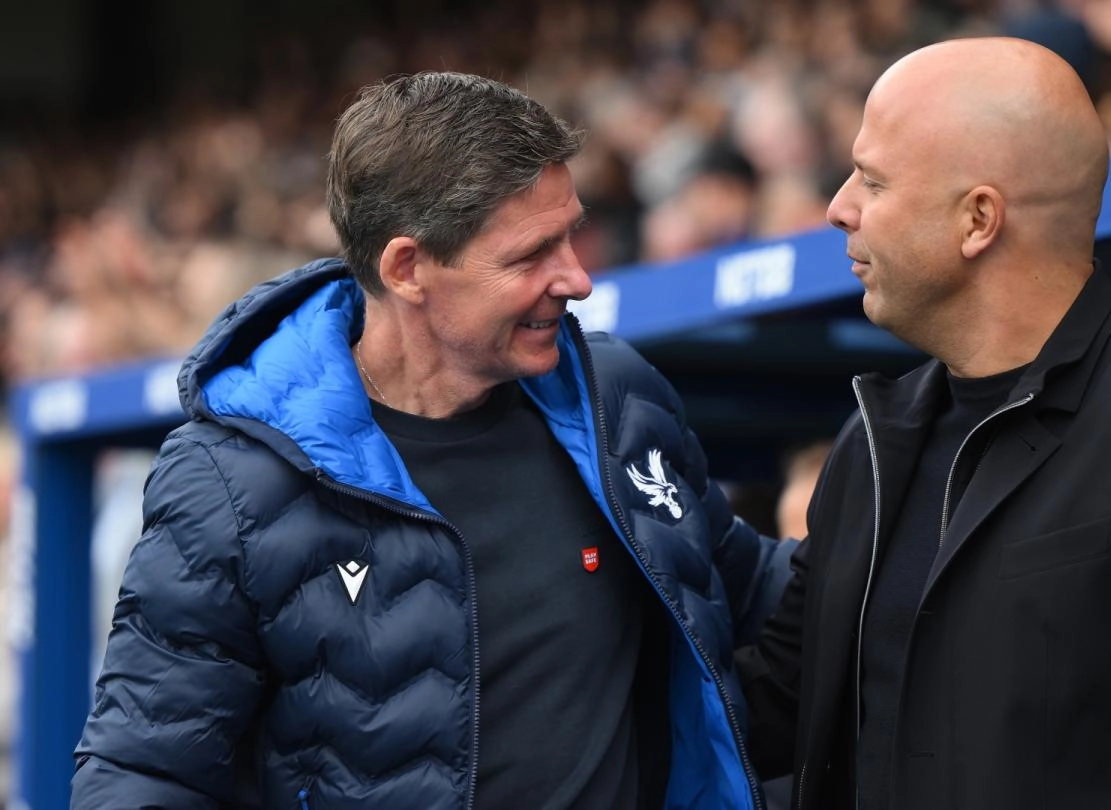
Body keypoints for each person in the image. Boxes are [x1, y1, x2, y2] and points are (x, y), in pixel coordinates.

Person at [71, 72, 793, 810]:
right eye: (530, 255)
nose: (575, 279)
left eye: (570, 235)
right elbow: (146, 772)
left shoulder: (616, 396)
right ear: (407, 268)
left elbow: (747, 589)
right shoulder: (233, 480)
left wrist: (895, 506)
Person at [737, 37, 1111, 809]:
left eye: (873, 178)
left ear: (978, 220)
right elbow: (762, 709)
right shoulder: (872, 450)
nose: (839, 207)